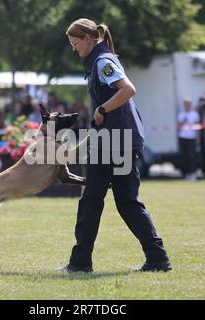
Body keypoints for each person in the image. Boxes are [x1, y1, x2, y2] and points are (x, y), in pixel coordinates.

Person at [63, 18, 171, 273]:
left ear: (89, 38)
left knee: (91, 199)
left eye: (75, 43)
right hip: (119, 139)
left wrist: (102, 108)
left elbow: (128, 89)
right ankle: (157, 258)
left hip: (114, 142)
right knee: (126, 201)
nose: (74, 49)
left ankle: (80, 263)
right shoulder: (101, 59)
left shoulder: (102, 61)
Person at [177, 97, 200, 180]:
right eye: (185, 103)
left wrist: (198, 137)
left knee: (191, 156)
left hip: (192, 138)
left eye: (188, 103)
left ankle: (193, 173)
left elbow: (198, 127)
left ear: (190, 104)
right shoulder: (181, 114)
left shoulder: (194, 114)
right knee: (185, 157)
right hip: (183, 137)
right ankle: (187, 174)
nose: (186, 105)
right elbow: (179, 126)